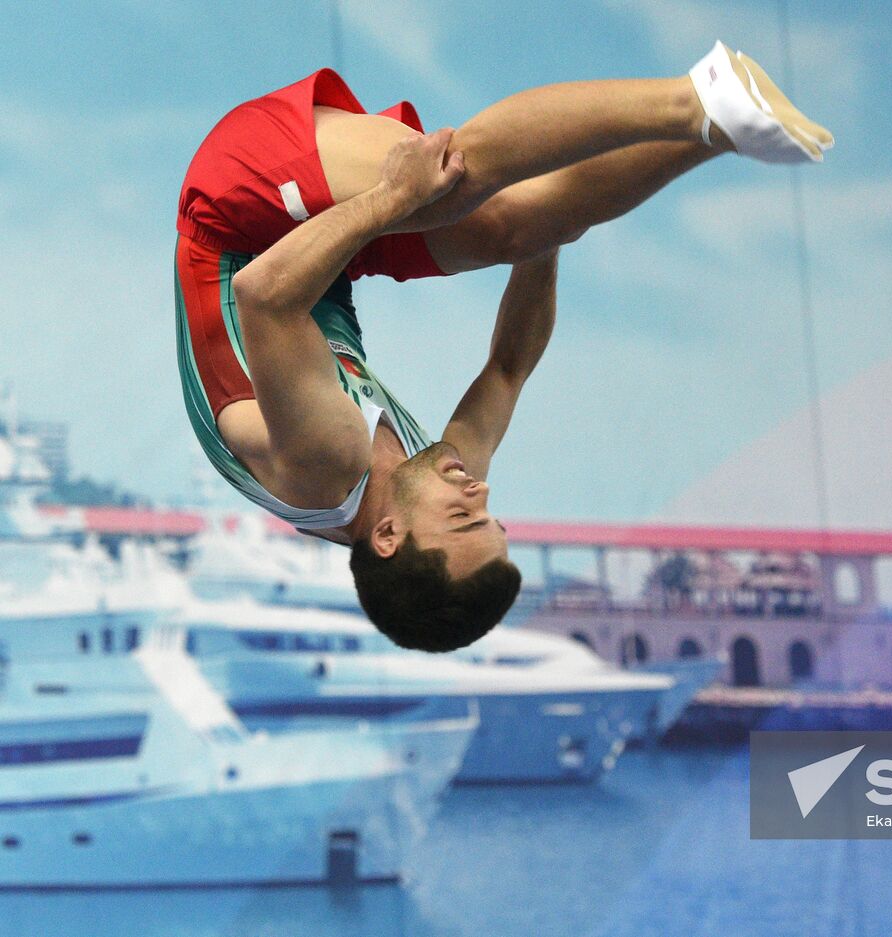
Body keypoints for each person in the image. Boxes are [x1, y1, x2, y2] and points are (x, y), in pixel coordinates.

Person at [174, 42, 832, 652]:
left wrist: (391, 199)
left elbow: (263, 295)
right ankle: (718, 130)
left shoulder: (327, 462)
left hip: (231, 218)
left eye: (464, 519)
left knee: (445, 185)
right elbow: (510, 365)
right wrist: (549, 230)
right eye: (492, 518)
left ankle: (696, 96)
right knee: (525, 222)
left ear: (386, 535)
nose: (479, 493)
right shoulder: (429, 480)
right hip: (320, 262)